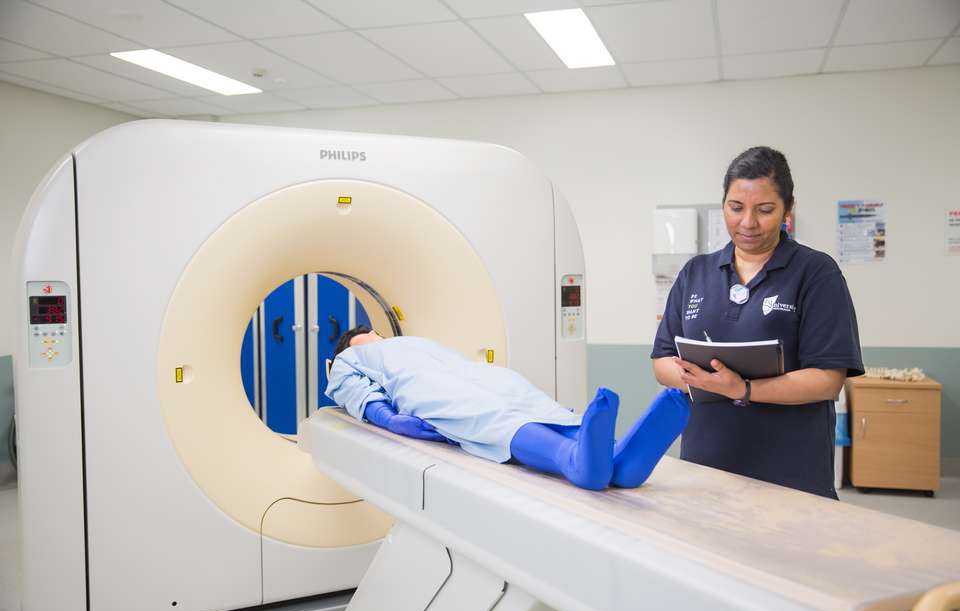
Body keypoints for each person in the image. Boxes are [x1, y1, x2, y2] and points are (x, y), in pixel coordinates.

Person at [652, 146, 863, 498]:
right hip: (707, 466)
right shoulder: (696, 273)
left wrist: (743, 389)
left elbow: (828, 380)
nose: (748, 222)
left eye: (764, 210)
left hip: (790, 472)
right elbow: (661, 362)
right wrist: (705, 381)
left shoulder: (815, 273)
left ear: (787, 209)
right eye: (736, 208)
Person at [326, 326, 690, 491]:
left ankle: (614, 461)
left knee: (521, 402)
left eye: (376, 335)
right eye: (367, 338)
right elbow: (350, 388)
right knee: (492, 414)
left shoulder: (413, 341)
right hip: (434, 389)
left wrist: (389, 418)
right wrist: (386, 418)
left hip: (474, 376)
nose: (376, 339)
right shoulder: (351, 358)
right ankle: (580, 459)